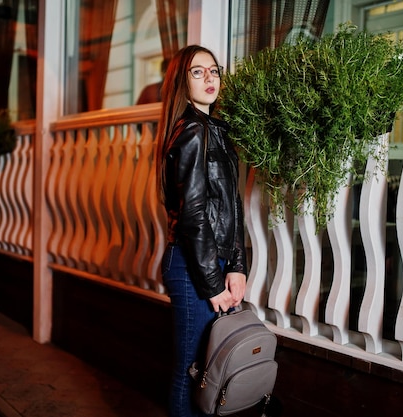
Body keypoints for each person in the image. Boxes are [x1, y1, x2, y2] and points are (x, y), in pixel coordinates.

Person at [156, 45, 248, 417]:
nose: (210, 78)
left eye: (213, 70)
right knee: (191, 371)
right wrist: (212, 283)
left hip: (214, 263)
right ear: (182, 81)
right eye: (198, 72)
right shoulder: (193, 131)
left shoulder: (216, 130)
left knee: (212, 372)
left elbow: (232, 208)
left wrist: (237, 265)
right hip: (192, 267)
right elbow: (194, 216)